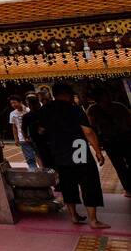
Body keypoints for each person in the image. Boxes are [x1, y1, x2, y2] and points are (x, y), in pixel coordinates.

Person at [41, 82, 108, 228]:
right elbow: (88, 131)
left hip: (59, 153)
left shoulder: (46, 109)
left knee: (67, 185)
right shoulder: (74, 109)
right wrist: (98, 152)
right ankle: (93, 220)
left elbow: (41, 130)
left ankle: (73, 216)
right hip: (79, 149)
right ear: (67, 94)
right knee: (89, 183)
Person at [86, 92, 131, 197]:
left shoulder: (93, 110)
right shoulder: (118, 106)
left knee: (120, 165)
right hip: (118, 139)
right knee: (121, 164)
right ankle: (128, 188)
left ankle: (128, 188)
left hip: (113, 140)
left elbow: (91, 128)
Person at [8, 96, 38, 170]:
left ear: (20, 102)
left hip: (33, 136)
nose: (13, 105)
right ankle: (33, 171)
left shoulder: (28, 110)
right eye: (11, 103)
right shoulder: (12, 114)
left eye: (14, 102)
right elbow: (14, 127)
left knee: (39, 155)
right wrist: (16, 138)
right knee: (29, 157)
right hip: (22, 138)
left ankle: (44, 170)